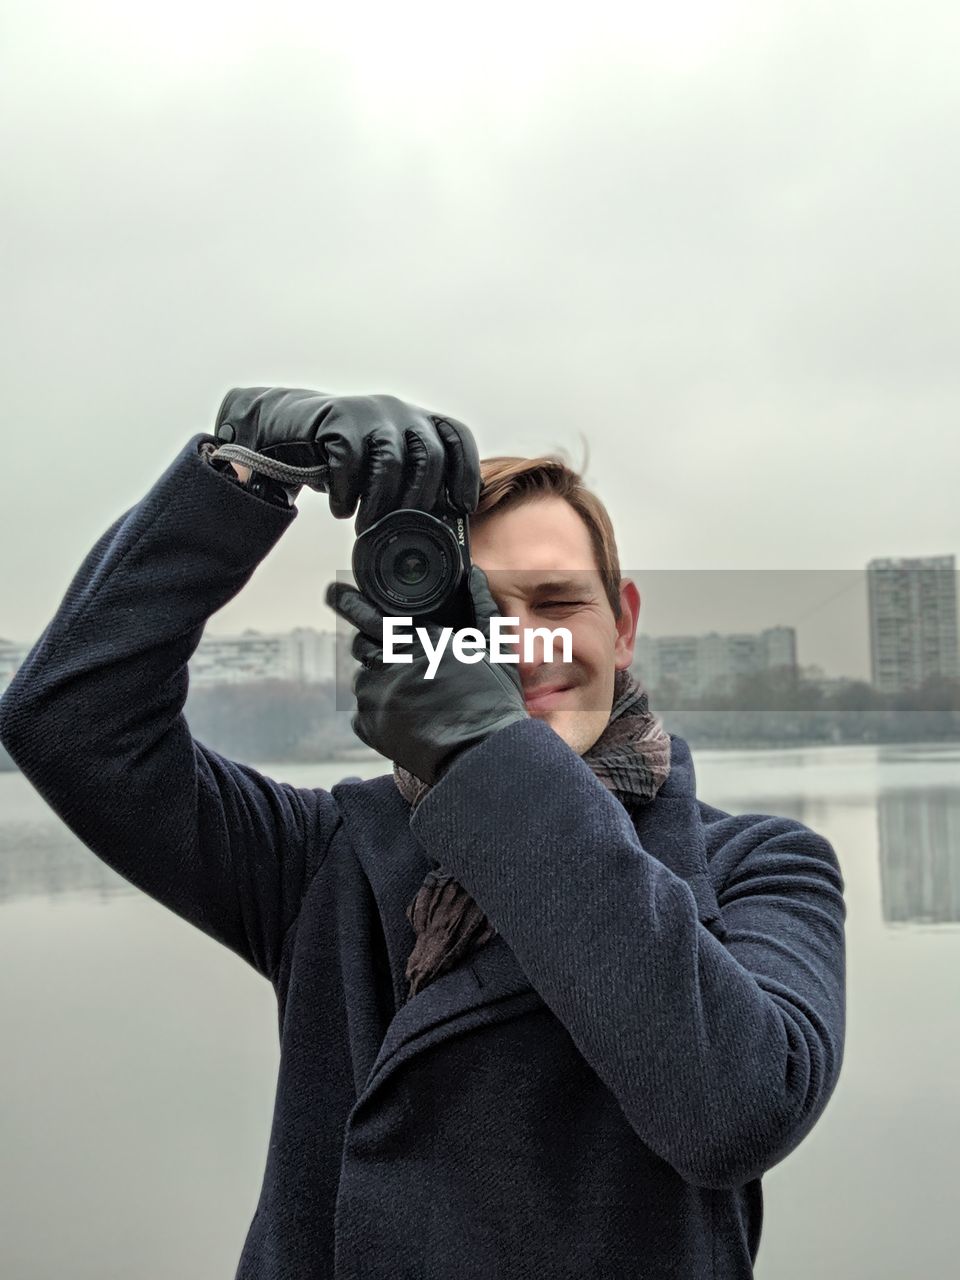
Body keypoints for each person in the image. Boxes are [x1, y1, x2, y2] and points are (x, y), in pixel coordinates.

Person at [0, 386, 847, 1279]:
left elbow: (734, 1112)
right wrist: (241, 474)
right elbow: (73, 722)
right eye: (478, 615)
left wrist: (487, 753)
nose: (523, 646)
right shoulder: (327, 857)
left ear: (624, 622)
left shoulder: (760, 866)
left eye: (557, 604)